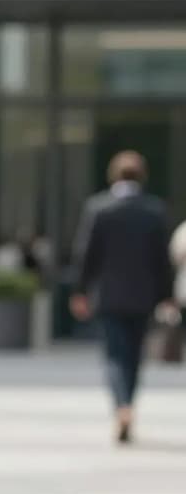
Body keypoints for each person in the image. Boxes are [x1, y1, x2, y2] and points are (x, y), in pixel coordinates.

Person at [70, 150, 174, 444]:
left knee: (115, 355)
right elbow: (162, 259)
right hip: (143, 297)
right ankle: (129, 404)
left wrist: (80, 291)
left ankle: (122, 407)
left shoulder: (99, 208)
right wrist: (166, 296)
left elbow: (86, 254)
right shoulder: (154, 210)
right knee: (135, 357)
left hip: (109, 296)